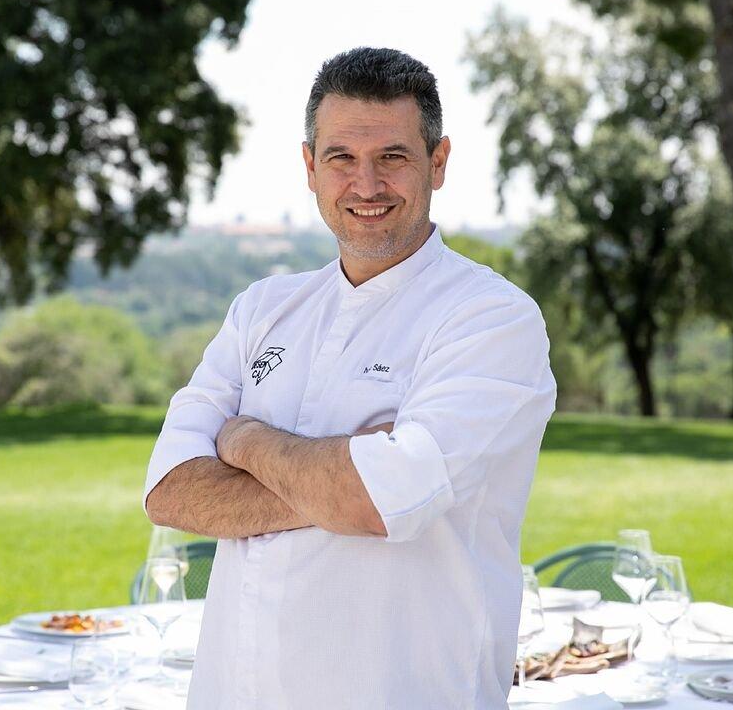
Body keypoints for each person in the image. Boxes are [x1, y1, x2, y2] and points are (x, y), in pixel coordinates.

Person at [143, 47, 556, 709]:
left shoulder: (491, 318)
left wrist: (245, 443)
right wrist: (350, 479)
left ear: (438, 163)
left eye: (392, 157)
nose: (366, 185)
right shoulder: (262, 310)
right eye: (341, 158)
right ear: (310, 166)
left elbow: (372, 502)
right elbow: (169, 490)